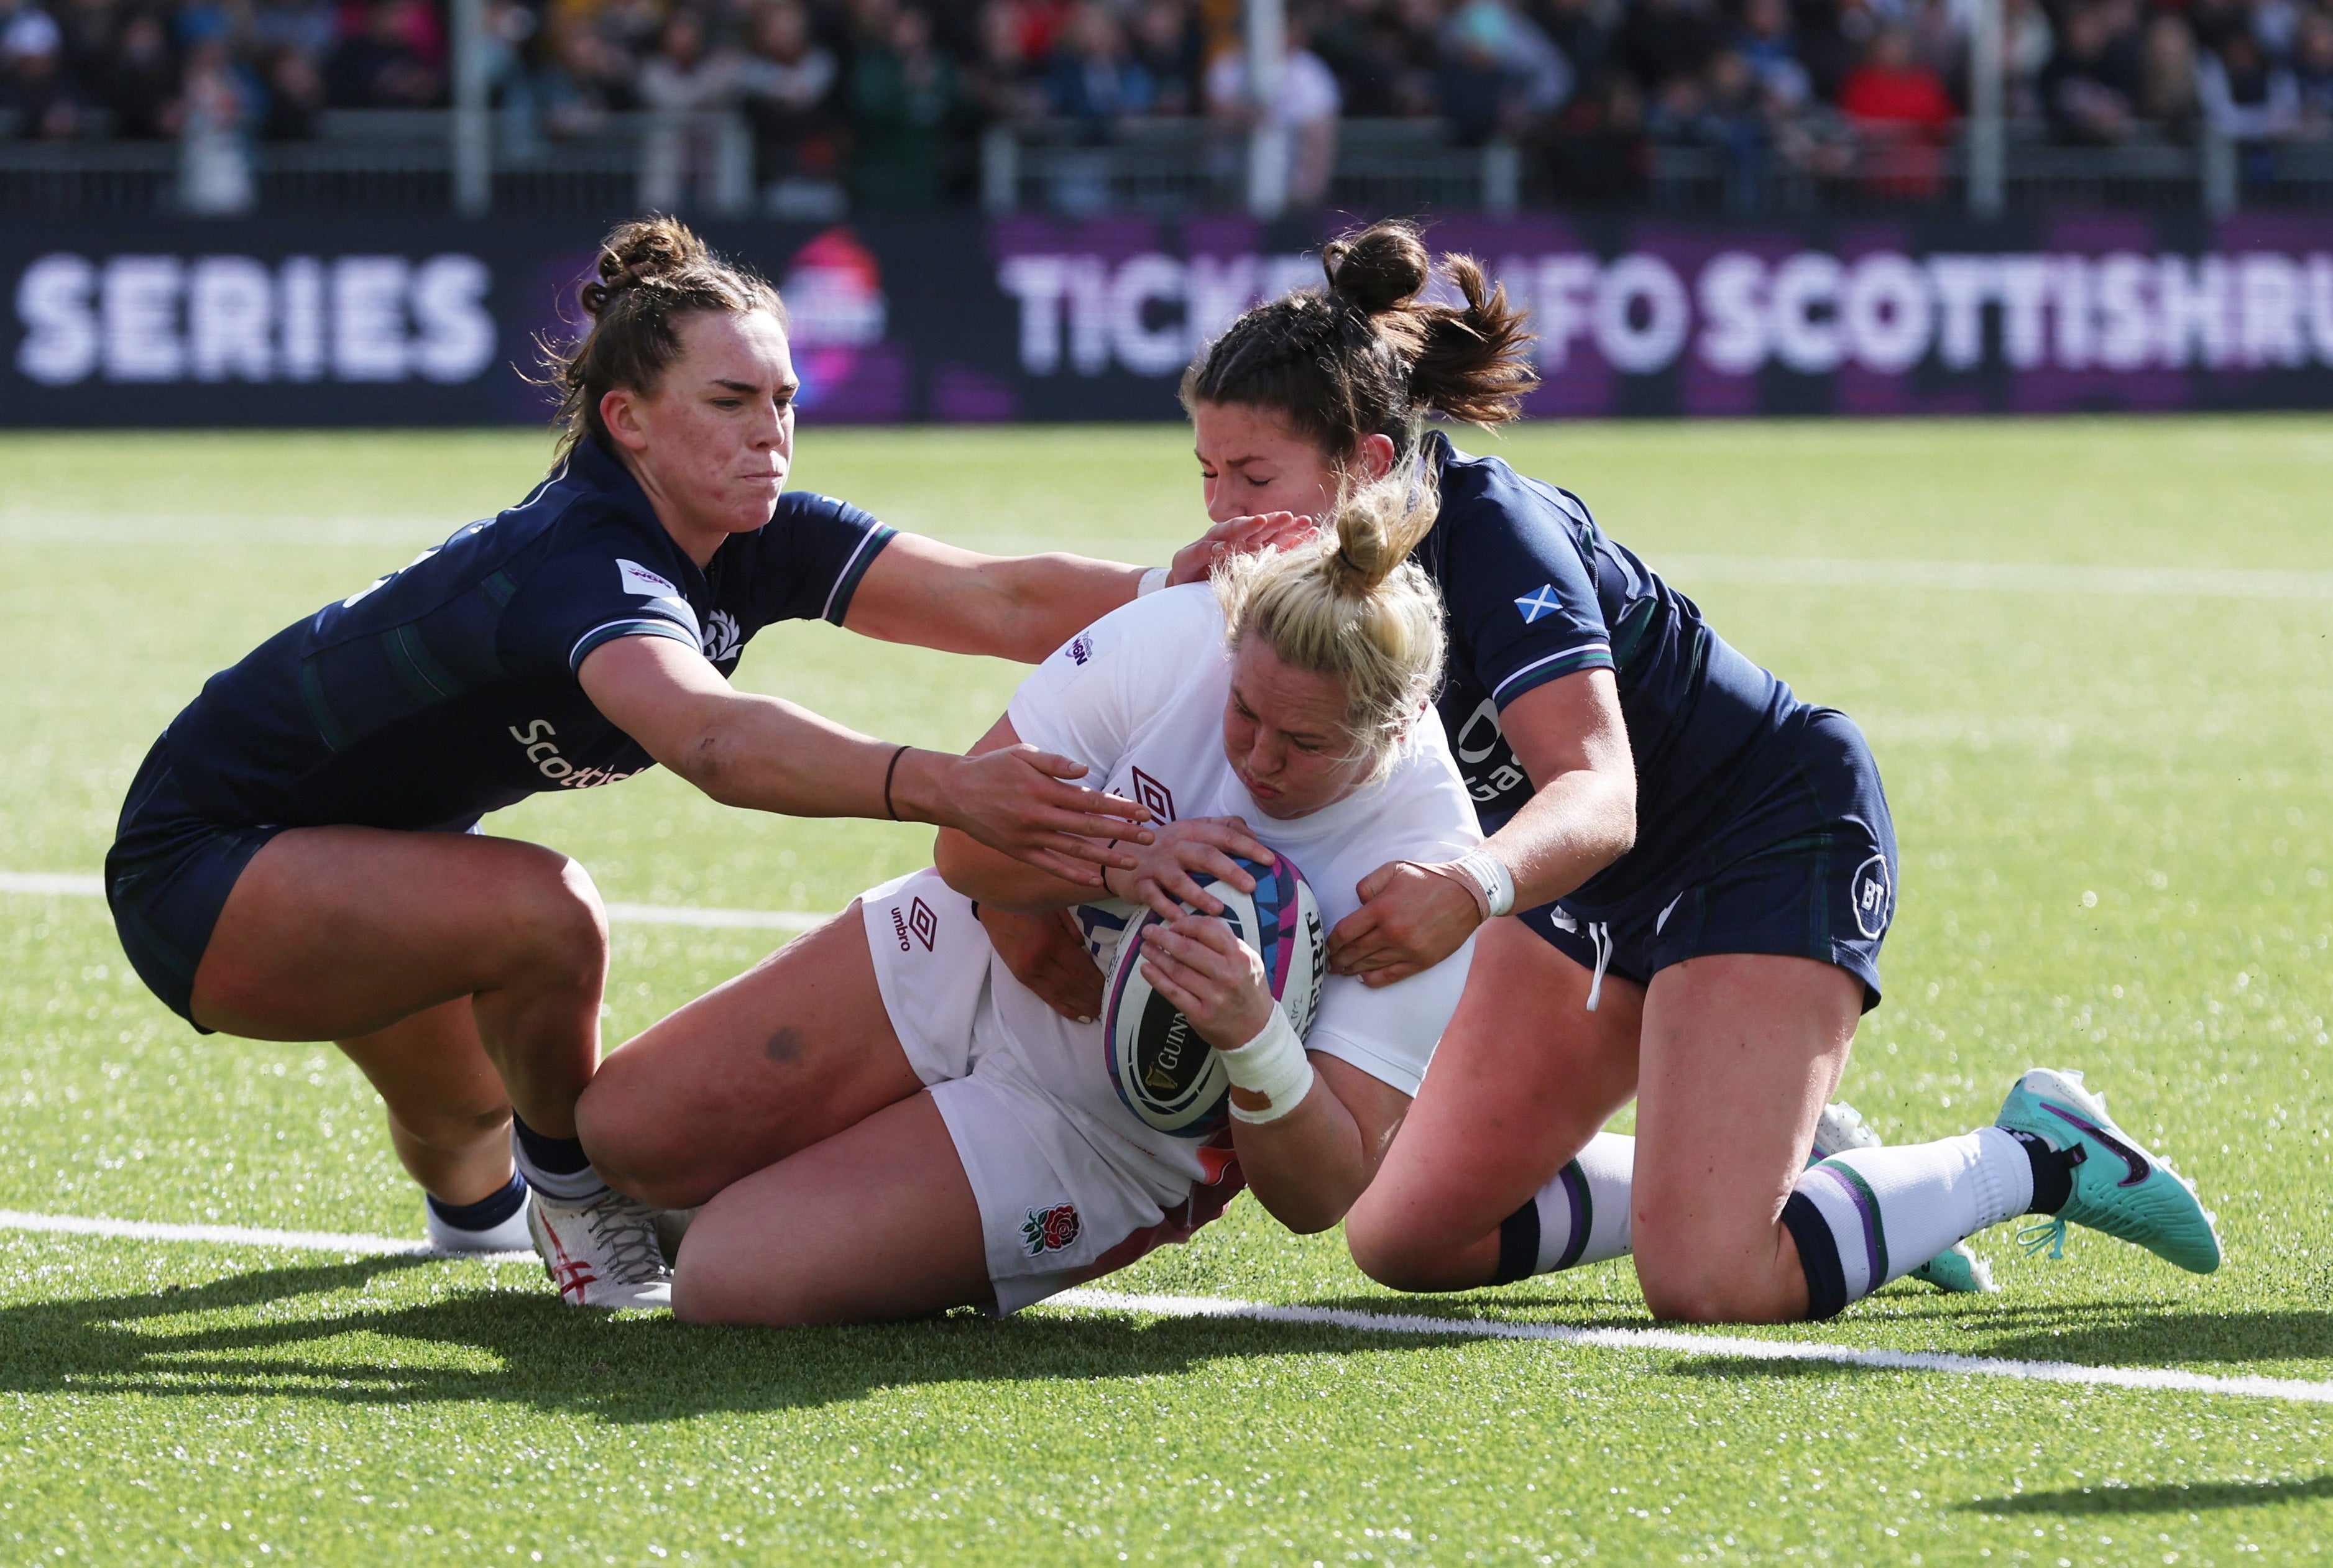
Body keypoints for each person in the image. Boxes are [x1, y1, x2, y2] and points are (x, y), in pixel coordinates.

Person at [986, 219, 2222, 1325]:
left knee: (1707, 1281)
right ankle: (1809, 1181)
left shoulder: (1489, 532)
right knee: (1406, 1234)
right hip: (1578, 887)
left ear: (1365, 461)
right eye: (1204, 473)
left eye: (1250, 477)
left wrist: (1465, 888)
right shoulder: (1292, 590)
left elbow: (1598, 790)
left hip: (1755, 832)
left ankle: (2031, 1152)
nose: (1223, 510)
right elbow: (1051, 618)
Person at [102, 218, 1287, 1310]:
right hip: (202, 868)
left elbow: (993, 594)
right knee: (546, 917)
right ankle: (579, 1203)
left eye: (784, 398)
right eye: (730, 401)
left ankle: (483, 1209)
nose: (769, 432)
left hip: (367, 856)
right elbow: (711, 739)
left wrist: (1182, 588)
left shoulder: (746, 528)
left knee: (469, 1116)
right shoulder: (586, 558)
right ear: (627, 420)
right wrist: (940, 783)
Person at [575, 476, 1481, 1324]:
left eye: (1306, 743)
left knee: (728, 1278)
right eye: (1244, 712)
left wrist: (1254, 1038)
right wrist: (1117, 862)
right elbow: (963, 845)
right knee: (625, 1131)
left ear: (1394, 731)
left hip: (1105, 1130)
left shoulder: (1419, 863)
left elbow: (1317, 1198)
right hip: (975, 945)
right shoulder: (1172, 638)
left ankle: (777, 1207)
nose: (1259, 757)